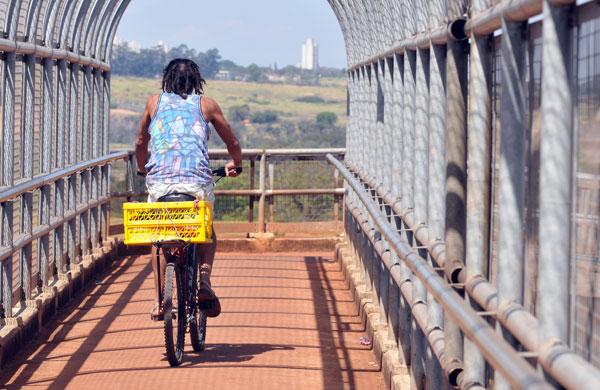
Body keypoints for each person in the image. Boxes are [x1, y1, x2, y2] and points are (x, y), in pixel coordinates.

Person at [134, 58, 242, 320]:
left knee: (159, 239)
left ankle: (160, 300)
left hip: (160, 184)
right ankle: (204, 281)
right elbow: (232, 141)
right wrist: (236, 163)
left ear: (167, 80)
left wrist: (142, 168)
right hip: (195, 184)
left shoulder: (153, 102)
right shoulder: (207, 105)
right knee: (206, 231)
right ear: (196, 81)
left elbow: (140, 140)